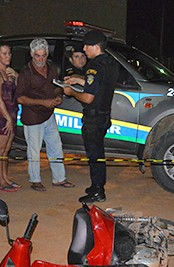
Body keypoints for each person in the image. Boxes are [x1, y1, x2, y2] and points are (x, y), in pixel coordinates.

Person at [63, 29, 118, 203]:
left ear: (96, 47)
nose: (84, 49)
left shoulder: (94, 67)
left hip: (93, 118)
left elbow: (88, 97)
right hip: (104, 115)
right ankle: (97, 186)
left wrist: (71, 92)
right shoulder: (110, 63)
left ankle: (98, 191)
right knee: (98, 154)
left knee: (94, 156)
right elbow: (100, 85)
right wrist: (78, 80)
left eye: (87, 46)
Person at [15, 37, 73, 191]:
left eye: (43, 55)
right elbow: (20, 98)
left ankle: (59, 178)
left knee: (56, 146)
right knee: (34, 150)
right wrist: (43, 102)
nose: (40, 59)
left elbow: (55, 86)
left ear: (47, 54)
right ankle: (35, 180)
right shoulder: (26, 72)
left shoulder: (50, 67)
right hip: (33, 117)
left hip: (49, 114)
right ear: (31, 54)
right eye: (37, 56)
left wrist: (58, 96)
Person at [0, 40, 20, 192]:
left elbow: (20, 90)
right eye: (4, 54)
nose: (8, 56)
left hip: (12, 113)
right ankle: (1, 182)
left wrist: (16, 76)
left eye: (9, 53)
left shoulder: (9, 72)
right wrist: (7, 118)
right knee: (0, 149)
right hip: (1, 115)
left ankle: (6, 178)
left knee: (7, 149)